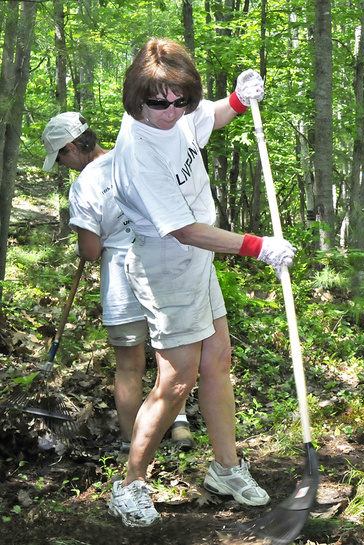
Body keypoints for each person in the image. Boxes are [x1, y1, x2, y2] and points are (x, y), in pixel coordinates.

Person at [107, 38, 296, 528]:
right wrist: (257, 246)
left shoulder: (178, 113)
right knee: (176, 378)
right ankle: (130, 485)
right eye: (158, 102)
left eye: (180, 99)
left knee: (218, 359)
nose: (171, 111)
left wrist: (235, 101)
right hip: (166, 260)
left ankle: (225, 468)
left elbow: (201, 121)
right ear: (137, 96)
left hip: (195, 260)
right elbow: (181, 229)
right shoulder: (137, 149)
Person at [41, 112, 196, 454]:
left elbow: (91, 250)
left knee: (129, 366)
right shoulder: (136, 155)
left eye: (62, 157)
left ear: (71, 147)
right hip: (164, 264)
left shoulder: (84, 185)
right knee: (168, 354)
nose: (65, 165)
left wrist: (84, 243)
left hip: (123, 276)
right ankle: (179, 424)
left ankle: (132, 445)